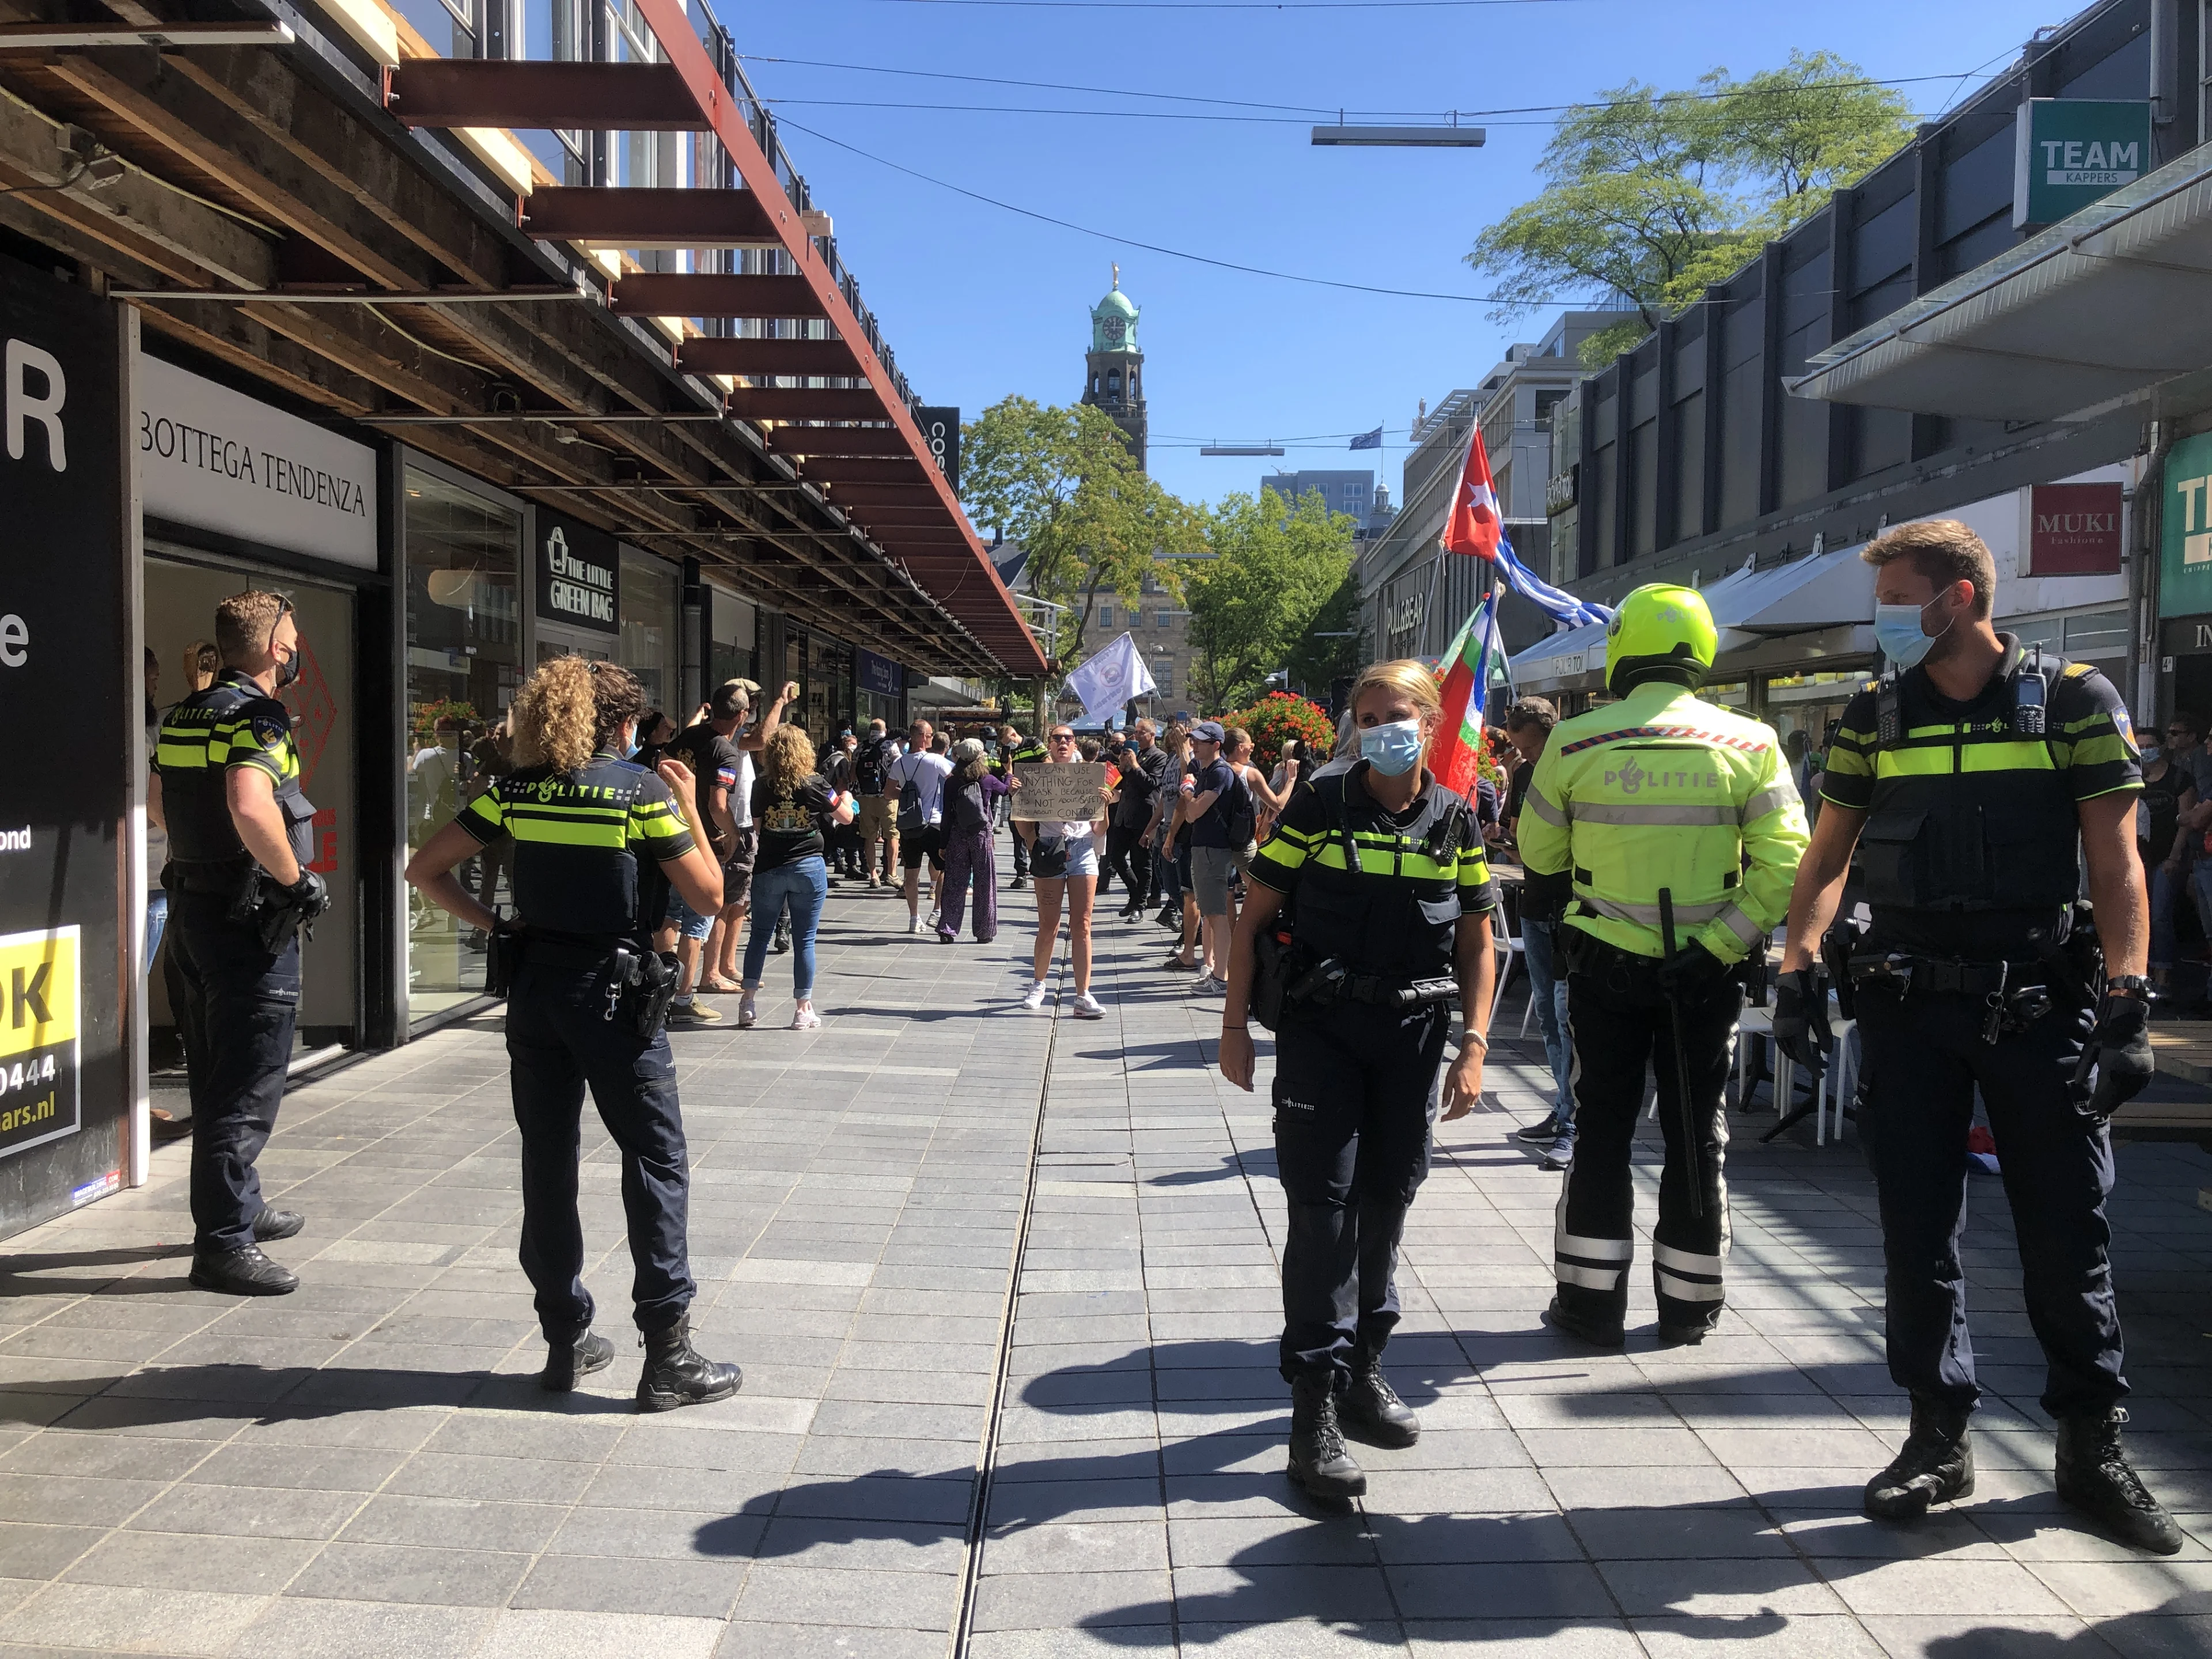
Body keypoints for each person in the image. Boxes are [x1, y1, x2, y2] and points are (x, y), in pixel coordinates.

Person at [1775, 518, 2179, 1554]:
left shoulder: (2075, 699)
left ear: (1957, 598)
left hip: (2039, 1004)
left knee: (2066, 1230)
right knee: (1917, 1232)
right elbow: (1826, 858)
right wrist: (1795, 969)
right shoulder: (1875, 712)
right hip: (1908, 1006)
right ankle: (1936, 1440)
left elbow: (2118, 859)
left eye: (1899, 598)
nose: (1887, 621)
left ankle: (2092, 1448)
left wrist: (2131, 1002)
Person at [404, 657, 741, 1409]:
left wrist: (500, 925)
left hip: (534, 990)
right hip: (616, 997)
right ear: (620, 724)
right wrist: (687, 808)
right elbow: (709, 897)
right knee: (655, 1158)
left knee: (548, 1160)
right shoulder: (639, 793)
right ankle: (668, 1356)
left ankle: (565, 1338)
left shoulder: (516, 791)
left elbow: (425, 870)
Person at [1218, 659, 1497, 1501]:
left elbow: (1478, 940)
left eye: (1398, 713)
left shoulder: (1457, 819)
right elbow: (1254, 914)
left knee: (1387, 1205)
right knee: (1323, 1214)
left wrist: (1475, 1045)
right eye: (1368, 716)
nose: (1383, 728)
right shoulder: (1320, 804)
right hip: (1323, 1035)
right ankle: (1313, 1412)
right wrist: (1234, 1028)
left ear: (1429, 723)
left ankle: (1364, 1374)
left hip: (1411, 1041)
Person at [1518, 584, 1808, 1352]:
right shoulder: (1753, 744)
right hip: (1703, 976)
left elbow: (1539, 857)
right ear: (1701, 652)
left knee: (1602, 1133)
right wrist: (1719, 945)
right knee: (1695, 1133)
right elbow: (1787, 867)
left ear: (1622, 649)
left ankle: (1588, 1307)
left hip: (1603, 965)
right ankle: (1688, 1308)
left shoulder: (1574, 743)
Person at [154, 592, 330, 1296]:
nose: (293, 653)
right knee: (247, 1084)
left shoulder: (183, 712)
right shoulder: (260, 715)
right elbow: (251, 803)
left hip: (192, 911)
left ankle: (242, 1206)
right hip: (244, 916)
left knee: (213, 1070)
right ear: (275, 651)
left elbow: (158, 805)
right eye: (291, 641)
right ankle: (222, 1242)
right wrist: (295, 881)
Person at [666, 679, 794, 1019]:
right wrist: (733, 834)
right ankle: (682, 998)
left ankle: (657, 989)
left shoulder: (687, 738)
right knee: (699, 919)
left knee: (670, 914)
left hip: (671, 834)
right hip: (708, 842)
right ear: (742, 714)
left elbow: (662, 768)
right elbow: (718, 804)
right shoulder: (724, 749)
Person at [1499, 697, 1576, 1171]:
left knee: (1567, 1015)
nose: (1525, 757)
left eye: (1530, 747)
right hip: (1535, 903)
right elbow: (1518, 834)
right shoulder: (1526, 775)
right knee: (1548, 1014)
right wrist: (1499, 837)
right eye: (1519, 748)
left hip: (1573, 908)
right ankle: (1563, 1108)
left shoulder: (1576, 769)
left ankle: (1572, 1120)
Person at [740, 724, 853, 1031]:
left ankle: (748, 1004)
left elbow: (758, 826)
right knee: (805, 940)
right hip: (808, 867)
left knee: (760, 936)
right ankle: (802, 1009)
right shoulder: (815, 783)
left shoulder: (762, 785)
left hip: (770, 866)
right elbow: (845, 817)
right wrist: (845, 796)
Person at [1017, 723, 1111, 1018]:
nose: (1063, 743)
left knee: (1083, 924)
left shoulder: (1088, 775)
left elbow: (1099, 829)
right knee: (1049, 924)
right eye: (1057, 738)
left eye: (1068, 739)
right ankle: (1039, 984)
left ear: (1075, 745)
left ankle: (1083, 995)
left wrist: (1105, 806)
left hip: (1082, 849)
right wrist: (1033, 841)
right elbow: (1023, 826)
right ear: (1050, 742)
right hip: (1050, 848)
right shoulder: (1036, 776)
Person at [938, 737, 1009, 944]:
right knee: (985, 883)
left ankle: (948, 928)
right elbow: (1006, 790)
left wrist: (943, 844)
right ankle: (984, 931)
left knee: (954, 883)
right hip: (981, 835)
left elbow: (947, 816)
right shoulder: (987, 780)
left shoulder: (951, 782)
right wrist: (1009, 771)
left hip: (958, 835)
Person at [888, 719, 953, 934]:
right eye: (930, 734)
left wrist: (907, 796)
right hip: (934, 823)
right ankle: (937, 910)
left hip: (909, 825)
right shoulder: (935, 760)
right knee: (943, 868)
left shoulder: (899, 763)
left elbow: (888, 792)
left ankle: (914, 918)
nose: (932, 738)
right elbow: (954, 781)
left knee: (911, 874)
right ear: (923, 737)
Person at [2139, 739, 2195, 990]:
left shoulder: (2178, 779)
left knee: (2160, 914)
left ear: (2161, 747)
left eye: (2149, 745)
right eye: (2138, 746)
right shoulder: (2134, 776)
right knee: (2141, 914)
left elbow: (2185, 822)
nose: (2143, 751)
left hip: (2167, 859)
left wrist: (2174, 857)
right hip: (2139, 859)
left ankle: (2163, 976)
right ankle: (2141, 971)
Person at [1104, 719, 1166, 921]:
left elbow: (1151, 784)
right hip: (1124, 816)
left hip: (1144, 817)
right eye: (1136, 733)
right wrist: (1122, 767)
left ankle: (1139, 905)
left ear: (1152, 735)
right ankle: (1134, 893)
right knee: (1115, 858)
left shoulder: (1159, 757)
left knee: (1142, 863)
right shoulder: (1134, 754)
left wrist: (1135, 766)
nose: (1136, 736)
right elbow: (1120, 786)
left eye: (1141, 733)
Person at [853, 719, 900, 886]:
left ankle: (873, 875)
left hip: (865, 797)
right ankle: (892, 874)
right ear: (885, 731)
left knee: (869, 837)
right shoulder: (890, 746)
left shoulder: (860, 747)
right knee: (893, 835)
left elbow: (853, 774)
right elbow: (899, 768)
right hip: (886, 797)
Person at [1002, 725, 1048, 888]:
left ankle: (1036, 867)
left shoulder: (1034, 743)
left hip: (1037, 800)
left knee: (1034, 836)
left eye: (1008, 741)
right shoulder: (1010, 751)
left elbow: (1048, 763)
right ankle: (1021, 873)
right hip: (1018, 799)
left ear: (1014, 735)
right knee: (1018, 837)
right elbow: (1008, 772)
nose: (1008, 745)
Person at [824, 729, 862, 881]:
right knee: (838, 832)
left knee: (831, 835)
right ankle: (846, 865)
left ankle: (843, 864)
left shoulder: (833, 757)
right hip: (834, 800)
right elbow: (842, 783)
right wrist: (846, 800)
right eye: (853, 745)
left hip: (827, 798)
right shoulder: (842, 760)